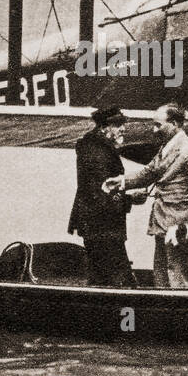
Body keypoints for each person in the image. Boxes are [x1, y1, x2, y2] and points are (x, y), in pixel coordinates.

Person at [104, 103, 188, 288]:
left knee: (176, 275)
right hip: (163, 220)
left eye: (158, 125)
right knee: (161, 272)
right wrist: (122, 182)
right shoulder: (168, 146)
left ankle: (178, 312)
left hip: (177, 226)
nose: (154, 130)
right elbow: (149, 172)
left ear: (174, 123)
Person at [68, 106, 137, 288]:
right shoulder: (98, 152)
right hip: (103, 225)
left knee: (100, 274)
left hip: (95, 223)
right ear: (105, 127)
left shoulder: (94, 147)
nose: (123, 129)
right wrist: (130, 199)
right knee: (116, 277)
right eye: (118, 125)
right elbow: (100, 193)